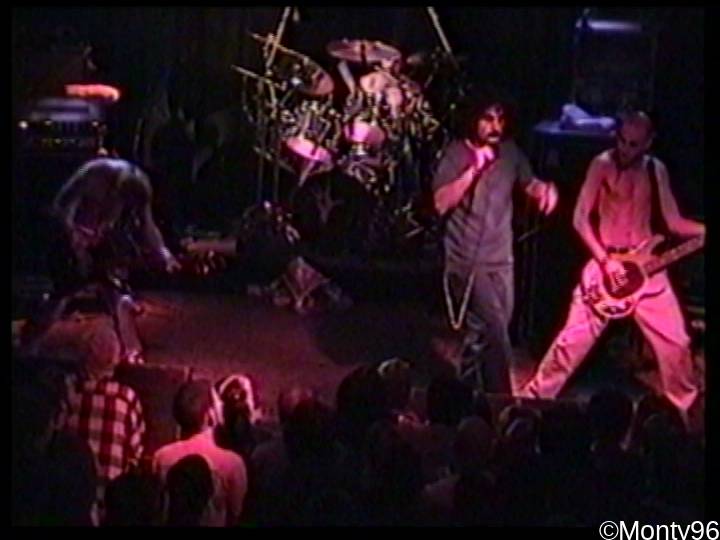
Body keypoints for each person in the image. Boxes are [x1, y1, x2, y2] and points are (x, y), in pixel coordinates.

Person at [519, 111, 704, 421]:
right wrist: (606, 262)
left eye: (634, 144)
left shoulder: (656, 169)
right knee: (570, 342)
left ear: (648, 143)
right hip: (607, 266)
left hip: (646, 269)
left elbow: (673, 222)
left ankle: (684, 413)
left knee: (677, 341)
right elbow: (580, 219)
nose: (625, 149)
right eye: (622, 141)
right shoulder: (602, 164)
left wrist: (702, 231)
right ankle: (531, 401)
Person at [431, 92, 558, 393]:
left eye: (500, 119)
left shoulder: (510, 152)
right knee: (496, 333)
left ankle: (464, 394)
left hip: (501, 258)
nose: (495, 126)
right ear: (474, 119)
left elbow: (529, 183)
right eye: (488, 119)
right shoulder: (456, 153)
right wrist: (473, 171)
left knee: (481, 336)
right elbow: (440, 203)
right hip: (467, 259)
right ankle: (503, 400)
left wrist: (544, 190)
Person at [19, 158, 181, 363]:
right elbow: (63, 209)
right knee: (63, 291)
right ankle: (29, 345)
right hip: (72, 233)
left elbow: (146, 224)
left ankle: (131, 350)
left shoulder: (139, 187)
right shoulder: (93, 175)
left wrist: (162, 252)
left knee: (114, 289)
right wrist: (75, 240)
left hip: (101, 235)